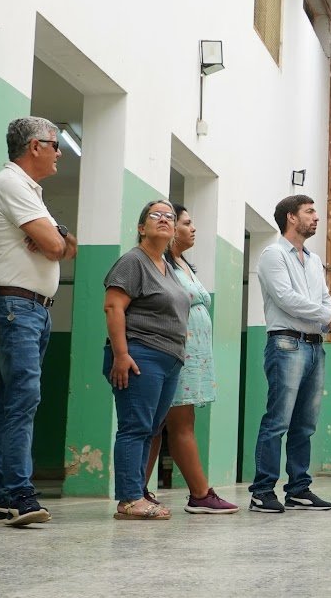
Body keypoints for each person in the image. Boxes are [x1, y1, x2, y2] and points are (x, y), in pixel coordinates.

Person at [0, 117, 77, 526]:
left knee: (6, 402)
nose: (59, 153)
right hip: (16, 307)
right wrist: (54, 238)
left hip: (32, 308)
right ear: (35, 146)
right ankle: (19, 493)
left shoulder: (30, 192)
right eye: (55, 145)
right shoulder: (12, 185)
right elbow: (57, 244)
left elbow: (67, 246)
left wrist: (56, 235)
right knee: (22, 399)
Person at [250, 195, 331, 513]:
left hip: (314, 346)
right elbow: (285, 298)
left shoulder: (313, 259)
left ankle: (298, 489)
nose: (316, 217)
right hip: (286, 345)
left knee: (305, 424)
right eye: (309, 212)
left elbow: (325, 297)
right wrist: (328, 317)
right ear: (291, 218)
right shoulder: (273, 255)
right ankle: (262, 491)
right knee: (277, 421)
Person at [143, 205, 237, 514]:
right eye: (186, 222)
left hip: (193, 354)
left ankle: (139, 489)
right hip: (174, 350)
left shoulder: (183, 263)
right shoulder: (159, 264)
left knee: (162, 423)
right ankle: (199, 494)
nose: (192, 228)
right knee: (173, 423)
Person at [103, 200, 191, 520]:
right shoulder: (133, 261)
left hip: (168, 359)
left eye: (170, 216)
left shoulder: (168, 266)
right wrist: (121, 354)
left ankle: (138, 492)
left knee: (151, 428)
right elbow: (114, 307)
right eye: (156, 215)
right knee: (135, 427)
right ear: (142, 227)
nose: (165, 220)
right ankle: (128, 500)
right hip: (140, 354)